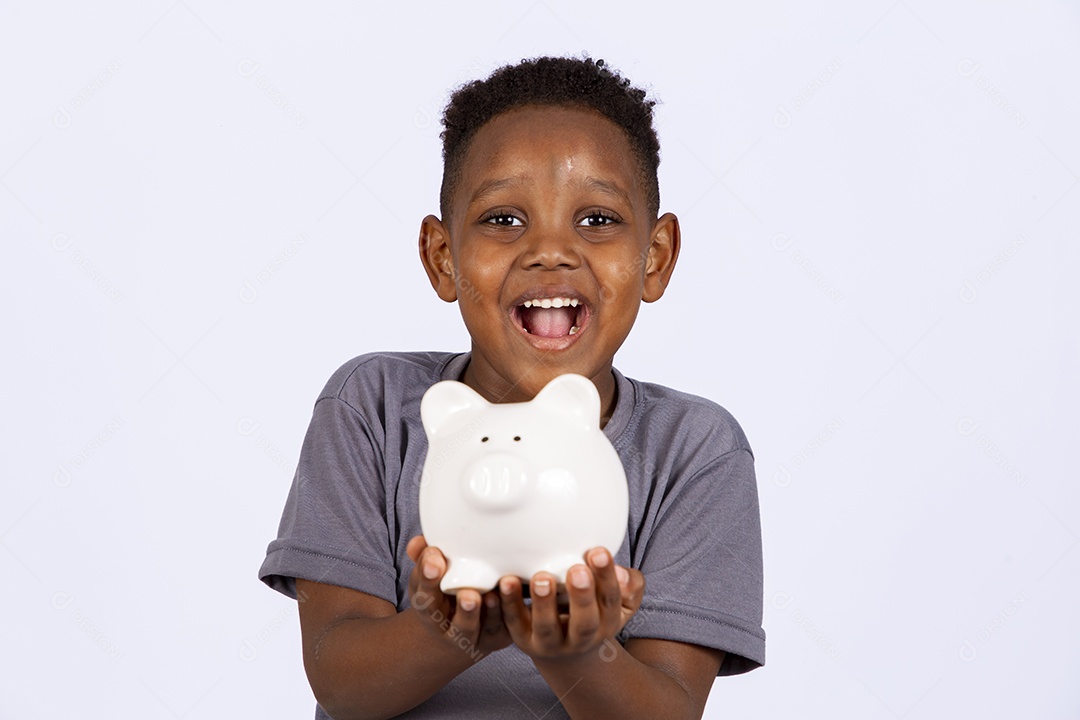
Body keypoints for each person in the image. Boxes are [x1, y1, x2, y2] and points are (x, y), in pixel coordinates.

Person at [259, 55, 765, 719]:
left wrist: (571, 649)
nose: (550, 250)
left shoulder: (694, 451)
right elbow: (340, 680)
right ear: (443, 259)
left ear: (655, 257)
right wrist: (460, 627)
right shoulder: (371, 408)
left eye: (597, 220)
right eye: (503, 220)